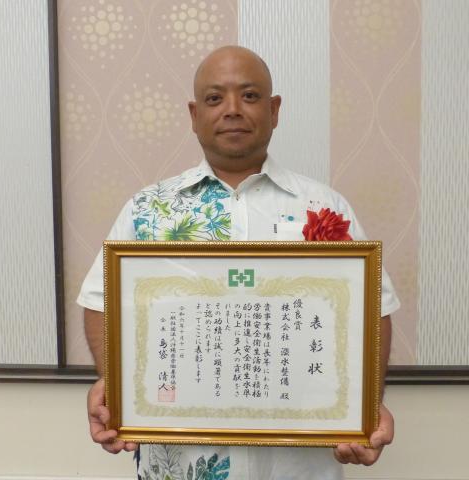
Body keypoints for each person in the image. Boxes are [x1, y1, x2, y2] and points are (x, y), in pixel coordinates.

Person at [78, 45, 399, 479]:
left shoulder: (326, 208)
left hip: (298, 464)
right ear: (194, 115)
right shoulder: (148, 209)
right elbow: (100, 302)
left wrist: (367, 406)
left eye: (249, 96)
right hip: (179, 462)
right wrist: (115, 386)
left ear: (274, 110)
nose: (232, 109)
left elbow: (372, 310)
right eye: (215, 98)